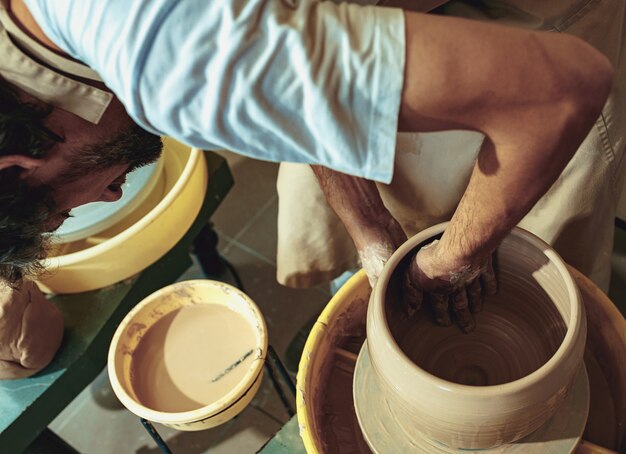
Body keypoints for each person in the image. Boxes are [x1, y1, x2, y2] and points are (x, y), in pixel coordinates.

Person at [0, 0, 612, 333]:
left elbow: (559, 92)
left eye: (62, 208)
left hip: (536, 37)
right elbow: (275, 52)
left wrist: (458, 256)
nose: (102, 202)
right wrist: (369, 227)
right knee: (327, 197)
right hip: (334, 24)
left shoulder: (172, 61)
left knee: (535, 242)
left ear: (19, 165)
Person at [276, 0, 626, 330]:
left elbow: (554, 105)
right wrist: (367, 225)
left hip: (542, 33)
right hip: (348, 38)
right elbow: (294, 60)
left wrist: (459, 255)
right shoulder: (255, 32)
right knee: (356, 252)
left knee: (541, 266)